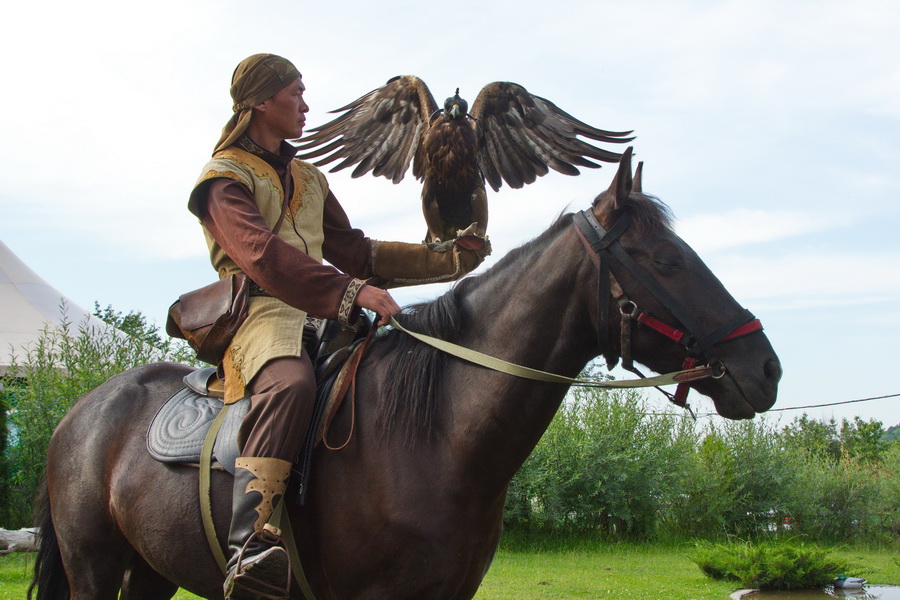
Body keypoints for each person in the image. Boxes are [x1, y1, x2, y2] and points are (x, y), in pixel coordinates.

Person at [187, 54, 490, 600]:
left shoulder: (308, 176)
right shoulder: (223, 178)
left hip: (322, 311)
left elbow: (353, 249)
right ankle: (249, 544)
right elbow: (260, 255)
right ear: (261, 101)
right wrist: (350, 292)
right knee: (292, 384)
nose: (305, 105)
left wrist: (444, 257)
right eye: (295, 94)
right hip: (257, 312)